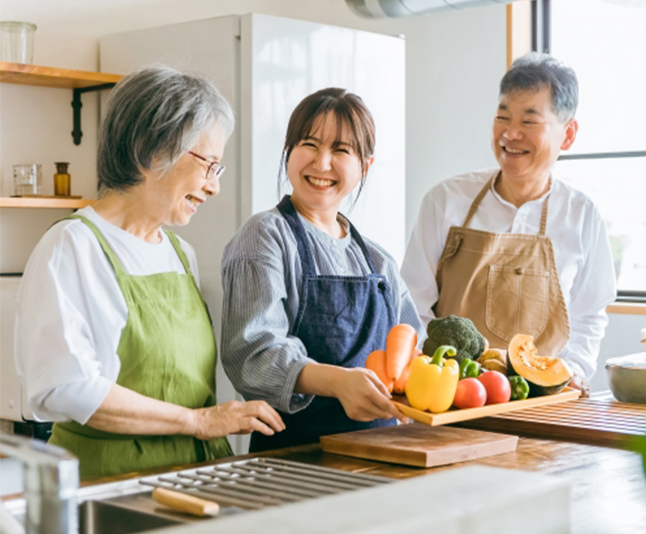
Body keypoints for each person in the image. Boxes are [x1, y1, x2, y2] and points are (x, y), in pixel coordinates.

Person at [14, 66, 284, 480]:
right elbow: (64, 387)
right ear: (150, 152)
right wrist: (197, 421)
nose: (213, 186)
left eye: (218, 168)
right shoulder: (73, 246)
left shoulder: (180, 253)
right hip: (111, 480)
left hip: (195, 475)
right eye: (207, 164)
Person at [401, 53, 617, 396]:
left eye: (529, 122)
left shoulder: (582, 215)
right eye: (502, 116)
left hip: (544, 405)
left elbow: (589, 315)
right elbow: (411, 305)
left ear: (568, 134)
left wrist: (571, 371)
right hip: (452, 399)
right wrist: (436, 373)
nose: (510, 133)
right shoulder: (445, 201)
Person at [221, 88, 421, 452]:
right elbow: (252, 356)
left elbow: (413, 351)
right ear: (288, 151)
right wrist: (338, 383)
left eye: (341, 150)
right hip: (296, 462)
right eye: (309, 144)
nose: (322, 163)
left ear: (365, 166)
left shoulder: (377, 261)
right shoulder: (264, 236)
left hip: (385, 454)